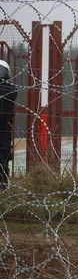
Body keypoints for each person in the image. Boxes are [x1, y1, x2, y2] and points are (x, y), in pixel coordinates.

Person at [0, 60, 17, 188]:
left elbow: (8, 93)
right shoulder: (10, 88)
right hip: (4, 127)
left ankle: (3, 182)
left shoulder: (9, 89)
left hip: (3, 127)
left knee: (3, 156)